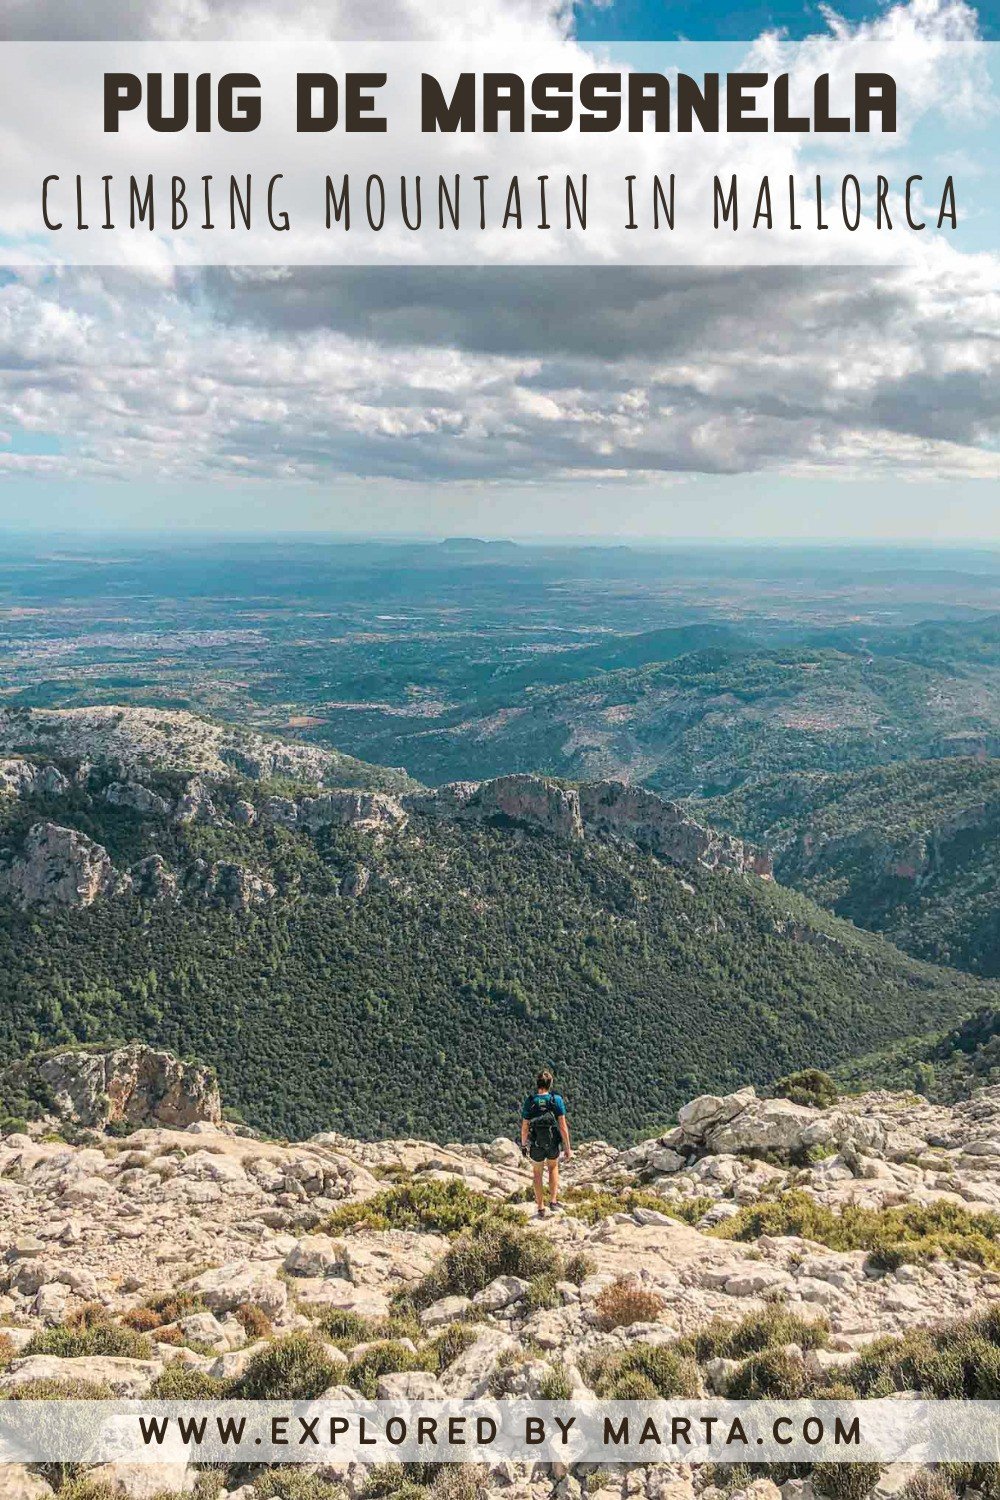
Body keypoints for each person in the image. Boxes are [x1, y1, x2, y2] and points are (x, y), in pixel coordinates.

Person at [520, 1069, 572, 1217]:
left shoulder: (530, 1101)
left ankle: (540, 1207)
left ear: (537, 1084)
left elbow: (525, 1127)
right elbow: (562, 1126)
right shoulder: (556, 1100)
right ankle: (554, 1201)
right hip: (552, 1142)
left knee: (537, 1173)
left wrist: (523, 1145)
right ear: (550, 1084)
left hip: (536, 1143)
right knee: (553, 1168)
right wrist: (567, 1148)